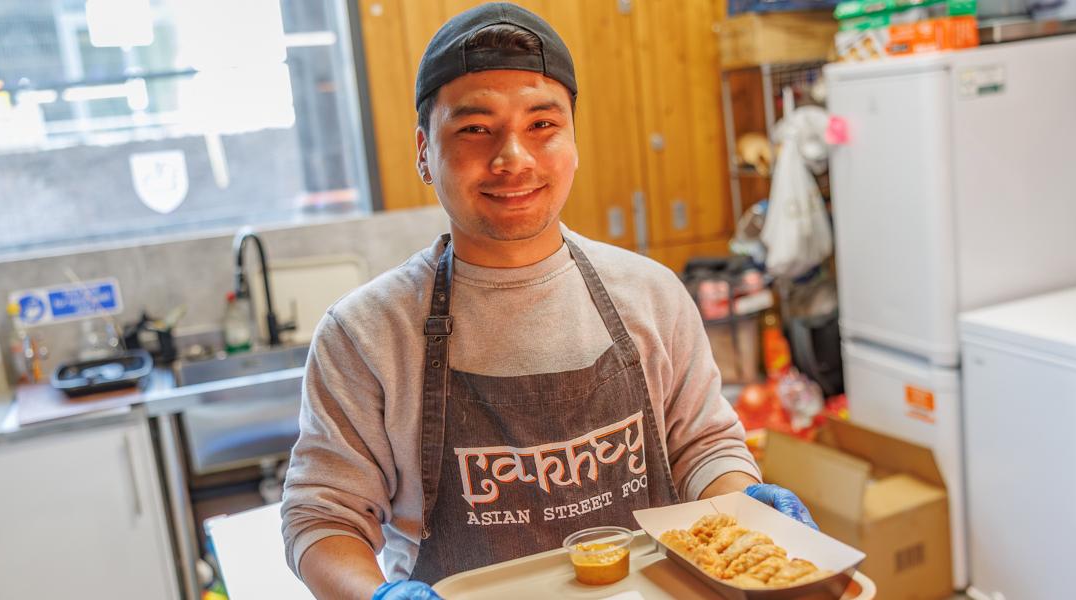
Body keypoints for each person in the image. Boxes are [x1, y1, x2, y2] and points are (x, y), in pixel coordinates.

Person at [281, 4, 817, 599]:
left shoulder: (651, 294)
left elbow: (702, 449)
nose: (515, 158)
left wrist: (747, 509)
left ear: (573, 139)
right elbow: (321, 518)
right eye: (475, 129)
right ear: (424, 151)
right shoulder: (366, 333)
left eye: (542, 125)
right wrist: (377, 596)